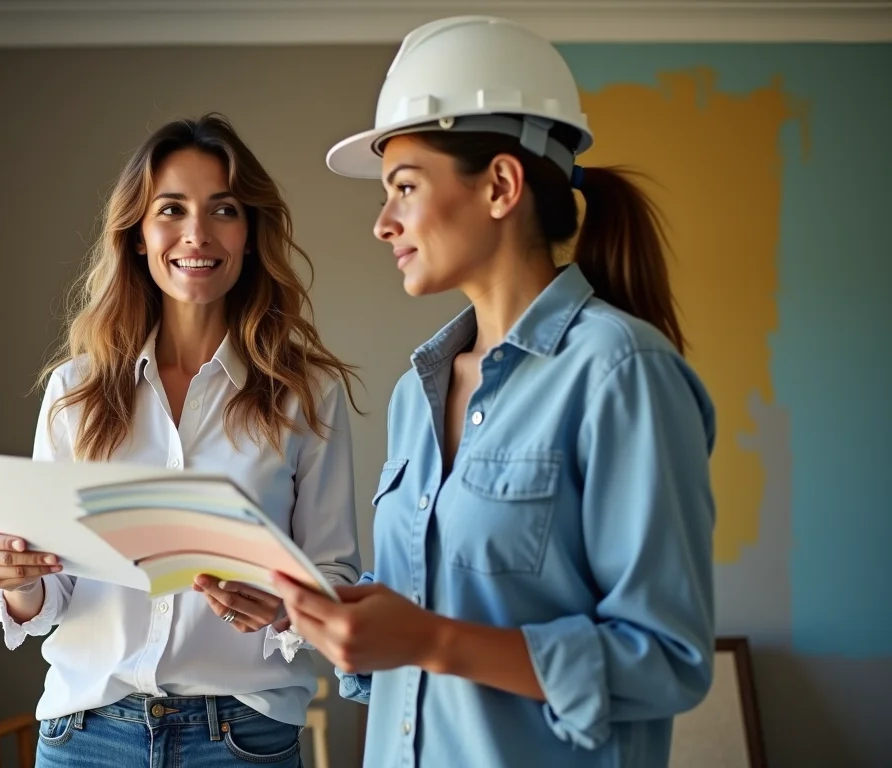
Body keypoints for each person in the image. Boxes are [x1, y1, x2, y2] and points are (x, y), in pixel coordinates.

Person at [272, 16, 718, 768]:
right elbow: (421, 622)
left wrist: (431, 640)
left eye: (405, 188)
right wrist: (314, 615)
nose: (383, 224)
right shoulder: (421, 395)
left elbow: (668, 660)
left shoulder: (620, 372)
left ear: (502, 186)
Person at [0, 113, 362, 767]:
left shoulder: (306, 391)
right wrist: (18, 581)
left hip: (242, 741)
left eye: (224, 210)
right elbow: (51, 597)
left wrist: (283, 607)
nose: (196, 234)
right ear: (138, 234)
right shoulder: (76, 389)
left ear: (251, 232)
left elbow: (335, 575)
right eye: (171, 209)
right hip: (86, 737)